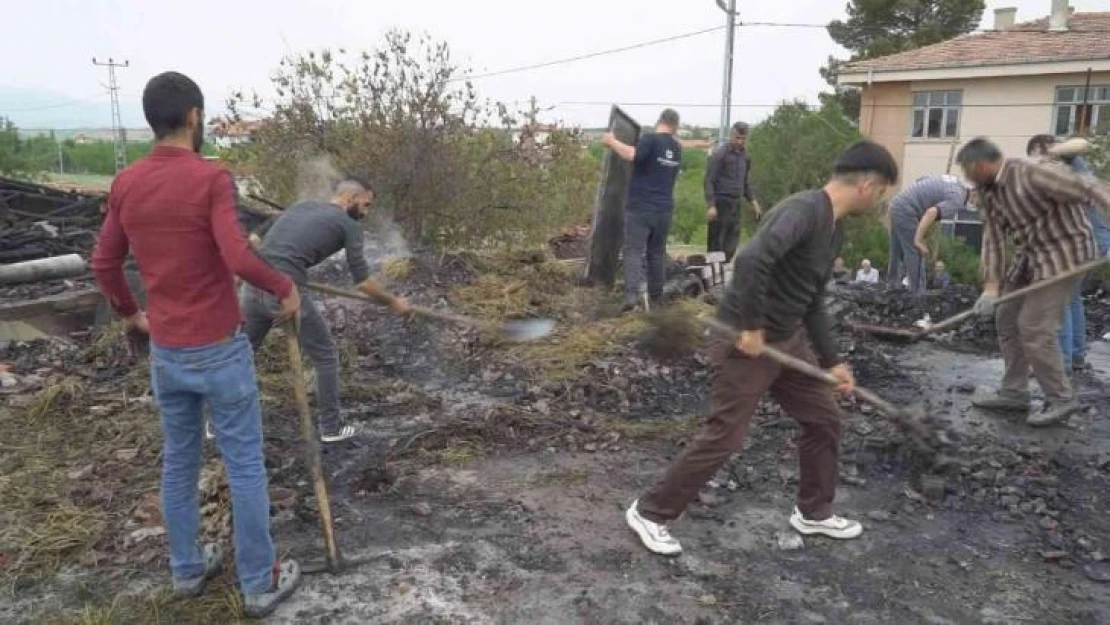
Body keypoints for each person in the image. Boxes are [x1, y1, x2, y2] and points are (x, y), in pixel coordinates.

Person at [90, 71, 301, 617]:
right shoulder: (211, 178)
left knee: (179, 463)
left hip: (168, 352)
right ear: (193, 117)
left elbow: (104, 262)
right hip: (220, 349)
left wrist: (132, 315)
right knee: (245, 465)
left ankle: (187, 569)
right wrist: (283, 287)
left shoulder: (126, 183)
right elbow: (236, 257)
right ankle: (259, 582)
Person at [624, 140, 899, 556]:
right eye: (882, 192)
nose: (879, 200)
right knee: (726, 436)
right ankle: (650, 511)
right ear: (866, 184)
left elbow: (813, 299)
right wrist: (751, 327)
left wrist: (833, 361)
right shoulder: (803, 211)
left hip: (787, 340)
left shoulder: (833, 229)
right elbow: (752, 260)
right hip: (746, 340)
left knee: (824, 419)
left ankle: (814, 512)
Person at [240, 177, 411, 443]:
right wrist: (393, 302)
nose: (365, 213)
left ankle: (217, 423)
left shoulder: (300, 206)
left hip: (252, 287)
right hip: (287, 293)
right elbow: (363, 283)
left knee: (240, 354)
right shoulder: (348, 225)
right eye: (365, 205)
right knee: (325, 356)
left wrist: (273, 266)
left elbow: (253, 239)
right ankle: (331, 429)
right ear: (351, 197)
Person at [961, 137, 1110, 427]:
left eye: (968, 173)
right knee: (1006, 317)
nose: (968, 180)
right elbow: (993, 240)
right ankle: (1014, 391)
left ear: (982, 165)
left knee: (1034, 327)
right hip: (1031, 256)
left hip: (1065, 254)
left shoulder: (1034, 173)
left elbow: (1090, 189)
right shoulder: (987, 192)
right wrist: (990, 288)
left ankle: (1060, 398)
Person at [1026, 134, 1110, 372]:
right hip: (1090, 241)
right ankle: (1075, 357)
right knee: (1071, 300)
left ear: (1043, 149)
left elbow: (1084, 143)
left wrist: (1052, 152)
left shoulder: (1068, 159)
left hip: (1084, 241)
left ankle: (1060, 363)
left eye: (1034, 156)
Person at [602, 109, 683, 312]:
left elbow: (631, 154)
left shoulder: (651, 140)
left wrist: (612, 141)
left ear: (660, 120)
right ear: (675, 126)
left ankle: (631, 297)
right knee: (656, 254)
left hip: (641, 208)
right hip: (664, 211)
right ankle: (657, 298)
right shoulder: (676, 147)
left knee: (633, 251)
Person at [887, 174, 970, 293]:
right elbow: (931, 212)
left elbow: (922, 179)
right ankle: (917, 292)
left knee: (896, 249)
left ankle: (892, 285)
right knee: (915, 251)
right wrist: (918, 239)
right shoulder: (957, 200)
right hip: (907, 210)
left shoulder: (955, 181)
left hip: (897, 202)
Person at [705, 121, 762, 261]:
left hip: (736, 202)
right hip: (720, 201)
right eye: (737, 138)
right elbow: (709, 180)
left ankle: (725, 265)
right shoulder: (720, 154)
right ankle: (714, 273)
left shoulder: (745, 157)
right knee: (716, 242)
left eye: (743, 139)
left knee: (732, 241)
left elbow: (745, 182)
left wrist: (753, 202)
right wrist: (711, 205)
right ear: (731, 136)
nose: (740, 141)